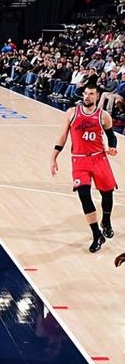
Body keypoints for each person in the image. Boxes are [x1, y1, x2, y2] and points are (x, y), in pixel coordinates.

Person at [50, 84, 118, 252]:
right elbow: (63, 136)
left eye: (91, 94)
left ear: (97, 96)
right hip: (79, 161)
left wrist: (112, 147)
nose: (87, 96)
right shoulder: (72, 112)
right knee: (84, 196)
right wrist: (54, 157)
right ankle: (97, 235)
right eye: (86, 93)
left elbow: (111, 137)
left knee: (107, 194)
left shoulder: (104, 116)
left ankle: (106, 221)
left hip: (99, 158)